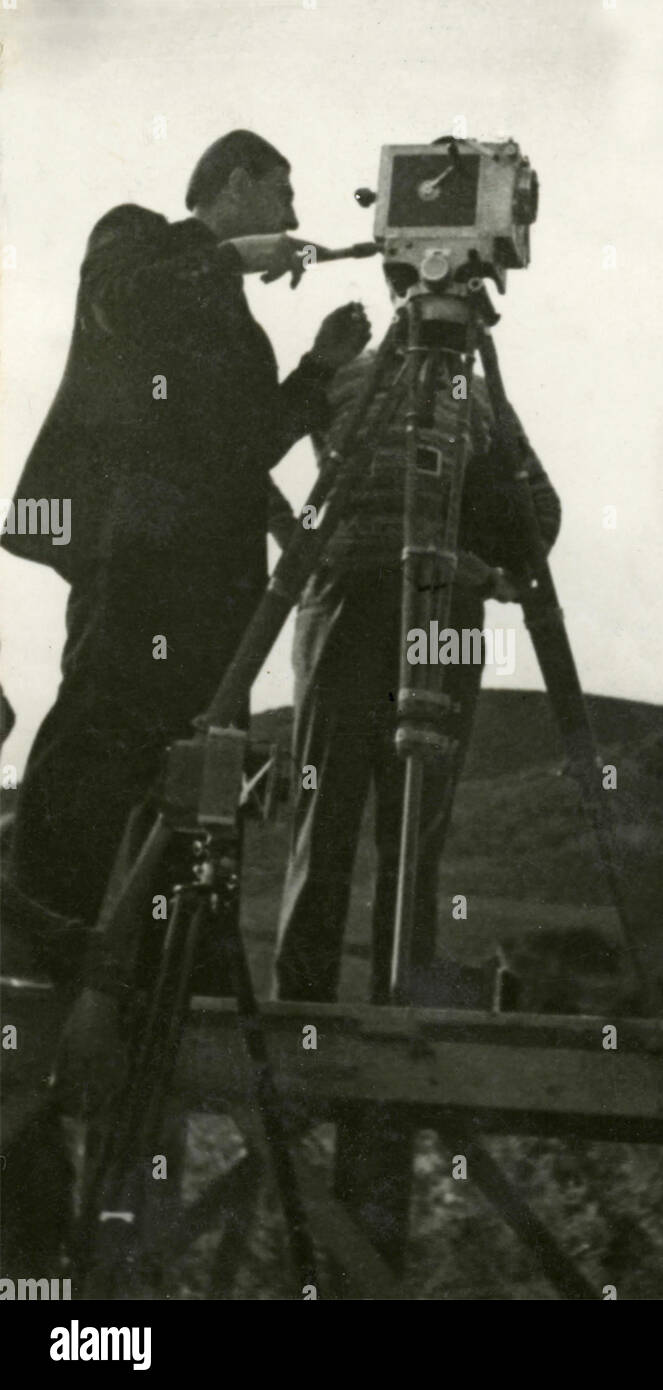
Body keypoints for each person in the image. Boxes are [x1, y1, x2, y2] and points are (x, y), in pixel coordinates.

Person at [0, 130, 371, 981]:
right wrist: (230, 254)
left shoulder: (238, 332)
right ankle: (39, 940)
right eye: (282, 193)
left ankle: (156, 972)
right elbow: (122, 303)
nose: (292, 216)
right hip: (139, 555)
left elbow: (242, 446)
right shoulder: (134, 238)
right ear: (237, 182)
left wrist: (317, 366)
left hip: (213, 576)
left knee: (184, 761)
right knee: (100, 730)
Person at [273, 322, 562, 1003]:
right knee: (326, 817)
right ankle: (302, 1016)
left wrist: (492, 571)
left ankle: (399, 1014)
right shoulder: (348, 375)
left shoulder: (480, 394)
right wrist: (299, 542)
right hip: (345, 600)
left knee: (416, 825)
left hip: (441, 609)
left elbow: (538, 501)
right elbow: (244, 448)